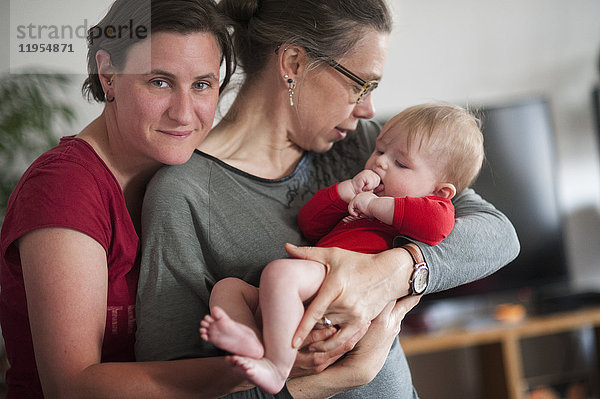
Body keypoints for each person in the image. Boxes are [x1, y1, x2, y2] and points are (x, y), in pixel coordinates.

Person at [1, 0, 416, 397]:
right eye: (159, 82)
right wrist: (280, 364)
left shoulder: (166, 170)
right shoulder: (66, 189)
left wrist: (402, 269)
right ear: (107, 74)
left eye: (202, 85)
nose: (184, 113)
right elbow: (72, 389)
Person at [136, 0, 519, 397]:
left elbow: (499, 234)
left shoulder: (367, 147)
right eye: (360, 84)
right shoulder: (184, 193)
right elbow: (170, 383)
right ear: (295, 64)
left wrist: (396, 271)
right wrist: (335, 378)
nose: (368, 108)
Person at [199, 103, 484, 394]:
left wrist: (376, 206)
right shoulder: (363, 194)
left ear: (440, 192)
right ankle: (250, 341)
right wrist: (343, 193)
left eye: (401, 163)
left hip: (342, 289)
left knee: (279, 274)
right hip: (312, 286)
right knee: (228, 288)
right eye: (380, 151)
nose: (380, 163)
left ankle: (276, 367)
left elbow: (437, 226)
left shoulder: (433, 207)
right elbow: (309, 224)